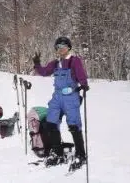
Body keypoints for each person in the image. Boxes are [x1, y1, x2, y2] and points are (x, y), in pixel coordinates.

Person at [32, 36, 89, 167]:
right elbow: (45, 71)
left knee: (74, 125)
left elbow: (81, 74)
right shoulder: (55, 63)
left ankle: (80, 155)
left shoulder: (74, 61)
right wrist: (37, 63)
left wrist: (84, 84)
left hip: (70, 97)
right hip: (57, 97)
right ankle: (57, 153)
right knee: (51, 123)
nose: (60, 49)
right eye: (58, 47)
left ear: (68, 47)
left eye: (63, 46)